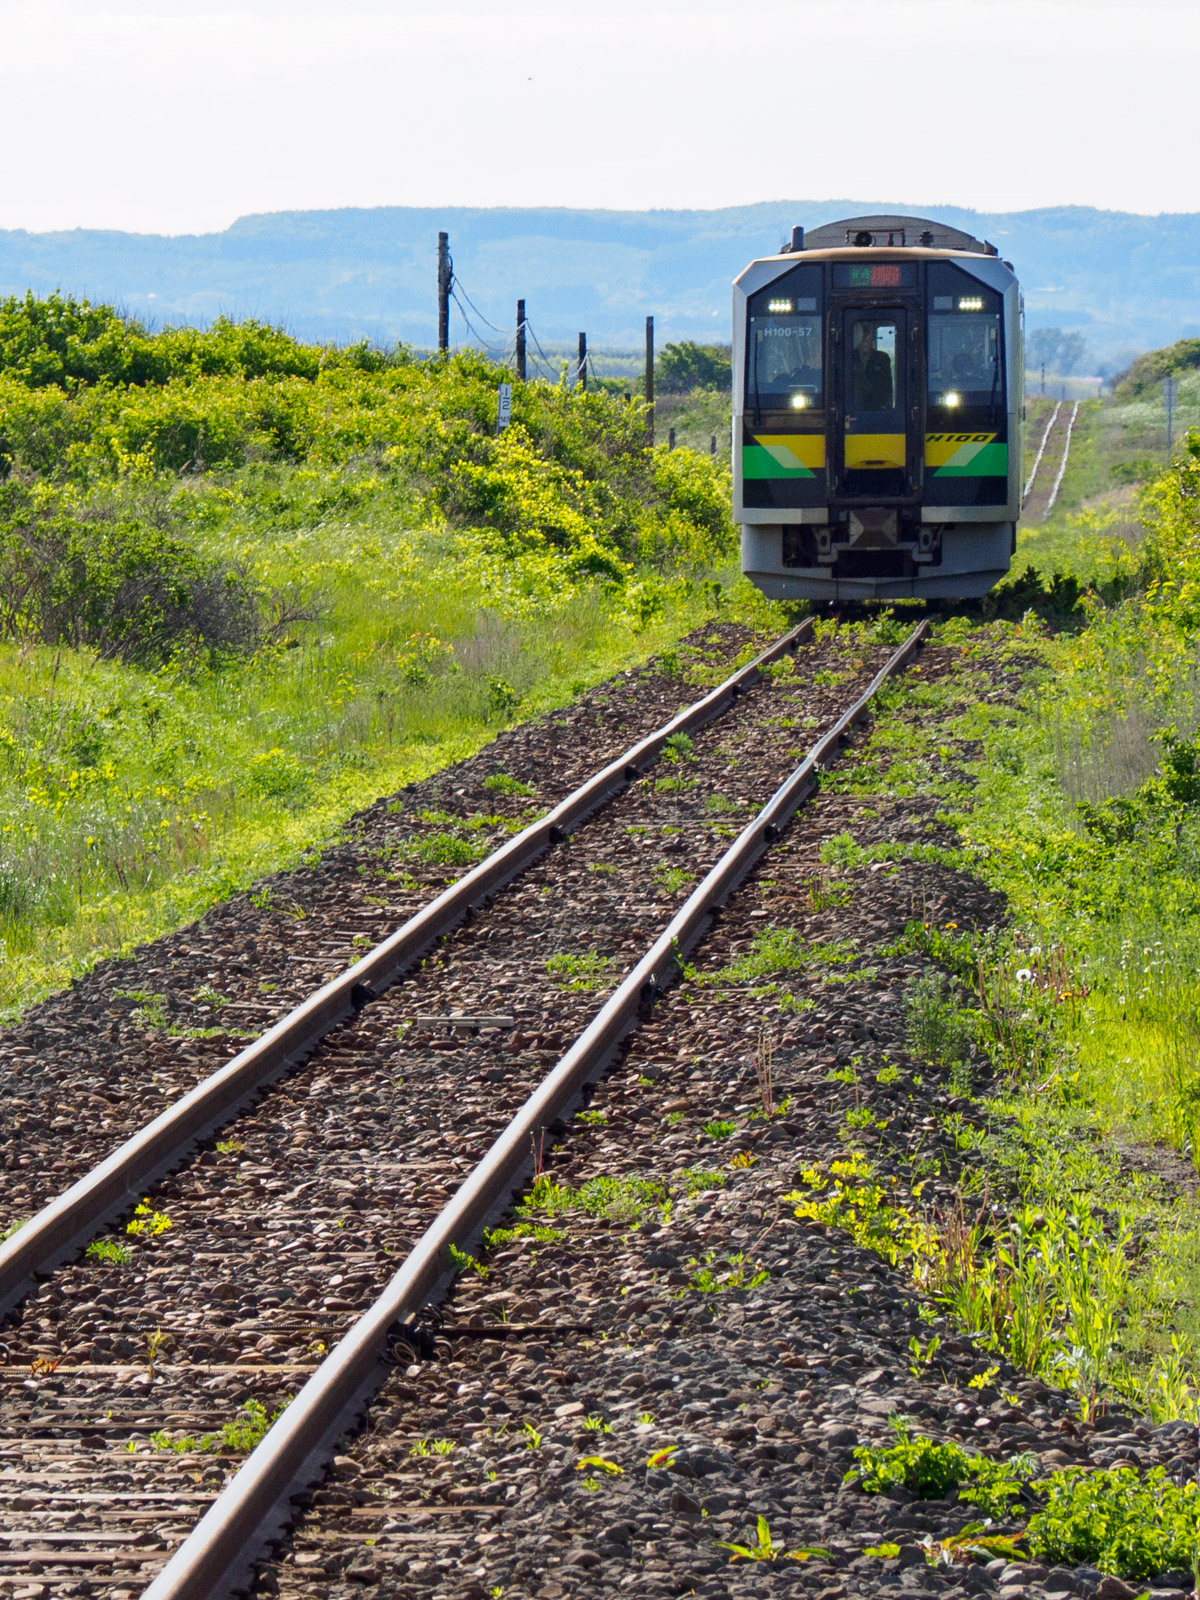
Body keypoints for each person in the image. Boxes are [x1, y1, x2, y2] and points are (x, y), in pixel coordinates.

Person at [851, 322, 894, 411]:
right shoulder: (849, 357)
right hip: (854, 409)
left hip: (878, 410)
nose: (865, 339)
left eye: (868, 334)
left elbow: (887, 387)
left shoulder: (882, 358)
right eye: (862, 335)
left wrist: (887, 407)